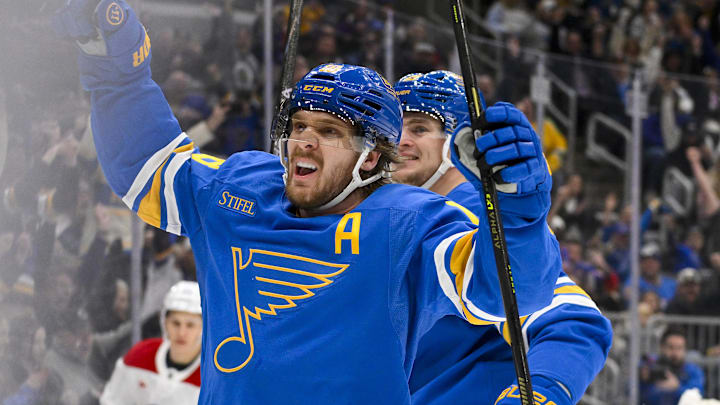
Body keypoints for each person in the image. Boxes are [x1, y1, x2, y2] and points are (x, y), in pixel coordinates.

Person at [54, 1, 560, 403]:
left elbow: (509, 296)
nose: (304, 142)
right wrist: (116, 73)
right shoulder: (240, 190)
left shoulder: (410, 224)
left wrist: (520, 213)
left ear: (369, 159)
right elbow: (146, 169)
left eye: (329, 131)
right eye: (298, 127)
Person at [393, 71, 611, 405]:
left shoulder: (478, 216)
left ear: (460, 140)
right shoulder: (395, 214)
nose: (400, 140)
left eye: (419, 128)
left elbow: (573, 322)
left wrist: (539, 395)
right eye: (395, 127)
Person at [100, 281, 202, 405]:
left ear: (204, 327)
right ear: (164, 322)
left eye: (190, 325)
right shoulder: (139, 356)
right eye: (176, 323)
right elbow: (111, 401)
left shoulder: (217, 376)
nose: (181, 333)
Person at [640, 328, 704, 405]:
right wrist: (643, 380)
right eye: (671, 347)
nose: (675, 353)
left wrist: (677, 388)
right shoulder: (650, 364)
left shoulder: (693, 370)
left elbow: (697, 396)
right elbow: (631, 392)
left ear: (685, 349)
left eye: (679, 348)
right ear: (662, 347)